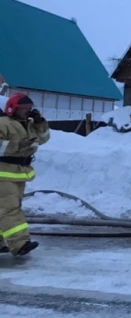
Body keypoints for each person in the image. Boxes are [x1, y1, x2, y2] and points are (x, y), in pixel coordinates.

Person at [0, 93, 50, 256]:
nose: (28, 112)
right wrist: (18, 144)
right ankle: (20, 243)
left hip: (18, 173)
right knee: (9, 209)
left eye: (30, 109)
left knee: (7, 208)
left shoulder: (29, 125)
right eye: (24, 109)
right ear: (13, 109)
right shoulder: (3, 123)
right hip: (3, 173)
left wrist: (40, 123)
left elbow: (43, 139)